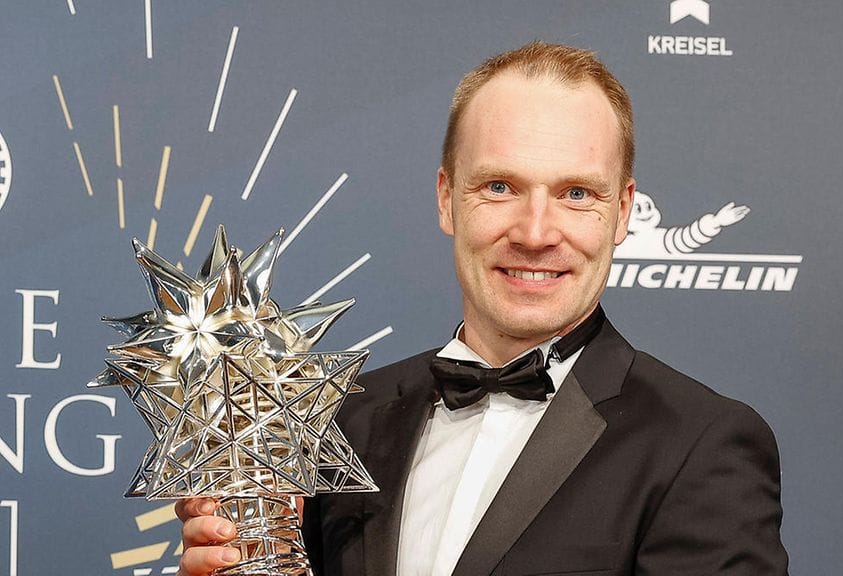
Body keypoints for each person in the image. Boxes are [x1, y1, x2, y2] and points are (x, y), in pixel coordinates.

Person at [176, 41, 788, 576]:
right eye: (500, 187)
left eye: (576, 193)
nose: (535, 232)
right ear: (447, 198)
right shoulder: (335, 425)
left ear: (622, 212)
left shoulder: (700, 445)